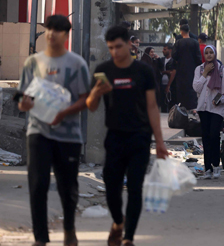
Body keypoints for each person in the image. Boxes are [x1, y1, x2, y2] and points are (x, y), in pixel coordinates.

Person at [87, 25, 168, 246]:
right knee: (112, 187)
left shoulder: (143, 71)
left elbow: (152, 107)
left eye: (119, 47)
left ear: (129, 44)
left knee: (134, 188)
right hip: (114, 137)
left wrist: (159, 142)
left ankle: (129, 237)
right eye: (111, 48)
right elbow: (91, 106)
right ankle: (118, 222)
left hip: (140, 138)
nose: (115, 52)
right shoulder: (104, 70)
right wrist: (96, 92)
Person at [17, 15, 90, 246]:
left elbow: (85, 98)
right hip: (38, 132)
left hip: (68, 135)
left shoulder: (76, 64)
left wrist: (63, 113)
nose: (51, 34)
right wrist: (24, 104)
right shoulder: (33, 63)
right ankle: (40, 238)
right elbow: (22, 97)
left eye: (57, 30)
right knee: (37, 184)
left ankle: (69, 228)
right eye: (48, 29)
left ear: (66, 35)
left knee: (67, 187)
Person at [193, 45, 224, 180]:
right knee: (206, 137)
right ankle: (207, 169)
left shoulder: (222, 70)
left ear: (215, 54)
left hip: (217, 109)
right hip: (203, 109)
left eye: (211, 52)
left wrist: (219, 100)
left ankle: (216, 166)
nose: (209, 55)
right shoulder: (199, 69)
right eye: (207, 53)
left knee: (214, 136)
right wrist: (205, 74)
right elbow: (196, 88)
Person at [172, 24, 202, 110]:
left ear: (181, 32)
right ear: (189, 31)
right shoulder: (195, 43)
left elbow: (174, 55)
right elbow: (198, 58)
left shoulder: (178, 43)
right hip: (192, 70)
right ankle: (192, 108)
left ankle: (182, 107)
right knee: (192, 89)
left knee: (182, 89)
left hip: (181, 71)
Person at [159, 44, 175, 112]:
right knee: (163, 102)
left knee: (170, 102)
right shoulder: (161, 60)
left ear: (170, 50)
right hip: (161, 83)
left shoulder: (173, 60)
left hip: (171, 84)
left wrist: (166, 72)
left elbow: (173, 72)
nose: (163, 51)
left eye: (165, 49)